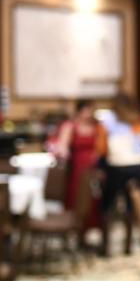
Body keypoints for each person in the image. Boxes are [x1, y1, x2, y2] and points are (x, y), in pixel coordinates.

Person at [97, 93, 140, 255]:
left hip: (115, 166)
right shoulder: (136, 120)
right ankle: (128, 246)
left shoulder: (107, 121)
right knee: (131, 207)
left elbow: (101, 148)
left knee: (108, 206)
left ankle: (106, 246)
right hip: (137, 166)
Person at [55, 99, 104, 242]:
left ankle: (90, 231)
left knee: (93, 198)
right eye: (86, 110)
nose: (88, 114)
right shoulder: (71, 125)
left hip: (94, 166)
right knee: (76, 194)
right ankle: (75, 229)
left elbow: (101, 145)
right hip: (78, 166)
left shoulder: (97, 126)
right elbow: (62, 146)